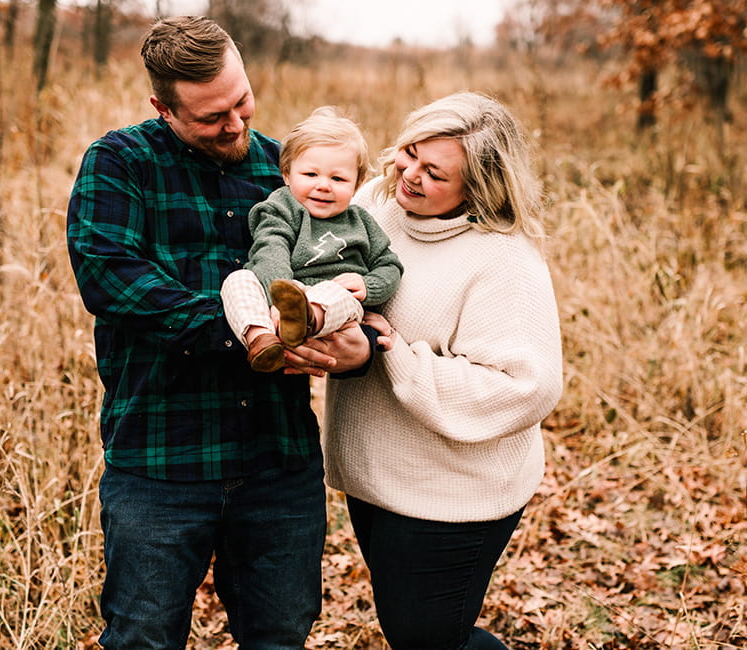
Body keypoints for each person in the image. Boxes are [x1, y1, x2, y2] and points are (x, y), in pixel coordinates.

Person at [66, 16, 369, 649]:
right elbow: (112, 279)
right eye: (211, 117)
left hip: (276, 458)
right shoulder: (119, 163)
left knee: (280, 635)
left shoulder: (289, 172)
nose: (235, 124)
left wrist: (349, 342)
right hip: (160, 457)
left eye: (242, 101)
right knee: (143, 638)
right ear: (163, 108)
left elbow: (344, 266)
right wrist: (249, 335)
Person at [316, 92, 564, 649]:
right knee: (409, 629)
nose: (409, 175)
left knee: (427, 638)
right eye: (410, 153)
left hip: (453, 494)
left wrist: (393, 355)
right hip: (377, 474)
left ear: (477, 189)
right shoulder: (375, 203)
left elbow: (526, 387)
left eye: (434, 173)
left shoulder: (503, 260)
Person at [220, 106, 403, 373]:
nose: (323, 185)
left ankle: (306, 318)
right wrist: (279, 302)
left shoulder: (360, 221)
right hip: (283, 295)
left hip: (333, 306)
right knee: (238, 280)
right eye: (310, 175)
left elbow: (390, 265)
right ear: (287, 174)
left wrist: (367, 284)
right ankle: (261, 338)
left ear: (357, 183)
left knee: (337, 293)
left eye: (338, 178)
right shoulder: (280, 209)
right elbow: (270, 251)